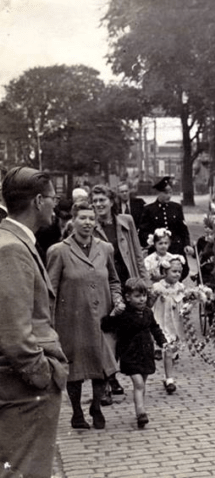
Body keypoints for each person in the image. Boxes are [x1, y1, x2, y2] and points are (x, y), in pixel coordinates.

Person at [0, 167, 69, 478]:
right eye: (53, 198)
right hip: (24, 391)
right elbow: (14, 332)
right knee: (26, 470)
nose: (56, 205)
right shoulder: (12, 249)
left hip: (20, 388)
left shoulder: (10, 239)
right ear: (38, 201)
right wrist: (43, 374)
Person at [47, 200, 125, 431]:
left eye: (92, 218)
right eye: (83, 218)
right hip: (71, 320)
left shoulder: (105, 248)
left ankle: (97, 408)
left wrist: (117, 298)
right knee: (75, 368)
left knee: (101, 364)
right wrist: (49, 325)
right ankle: (77, 413)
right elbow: (50, 290)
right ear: (72, 220)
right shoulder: (59, 251)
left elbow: (113, 280)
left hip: (102, 318)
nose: (88, 223)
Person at [91, 184, 150, 402]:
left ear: (112, 201)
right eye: (95, 201)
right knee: (107, 335)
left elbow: (136, 254)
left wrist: (145, 283)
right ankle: (106, 384)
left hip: (128, 281)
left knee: (130, 333)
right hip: (105, 285)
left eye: (102, 200)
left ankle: (134, 382)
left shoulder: (126, 222)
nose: (98, 205)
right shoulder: (92, 226)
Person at [101, 278, 167, 429]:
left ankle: (140, 407)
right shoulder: (124, 314)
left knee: (141, 384)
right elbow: (106, 325)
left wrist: (163, 342)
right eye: (137, 296)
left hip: (145, 352)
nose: (142, 299)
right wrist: (113, 313)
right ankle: (141, 413)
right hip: (130, 353)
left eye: (143, 295)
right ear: (128, 297)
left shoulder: (148, 313)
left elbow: (155, 329)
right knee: (138, 383)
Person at [138, 176, 194, 278]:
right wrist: (151, 241)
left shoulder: (176, 208)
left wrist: (187, 244)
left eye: (170, 193)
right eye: (165, 193)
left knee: (180, 273)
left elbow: (183, 229)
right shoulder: (149, 209)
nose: (169, 196)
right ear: (158, 192)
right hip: (158, 250)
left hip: (176, 249)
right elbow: (142, 232)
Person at [150, 256, 187, 394]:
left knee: (171, 351)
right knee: (167, 350)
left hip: (174, 323)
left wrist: (188, 306)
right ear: (165, 272)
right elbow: (149, 304)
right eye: (174, 271)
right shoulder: (157, 287)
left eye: (179, 271)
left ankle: (168, 376)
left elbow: (183, 303)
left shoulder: (181, 287)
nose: (177, 274)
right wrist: (154, 296)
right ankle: (168, 378)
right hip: (160, 322)